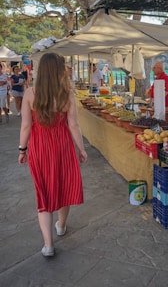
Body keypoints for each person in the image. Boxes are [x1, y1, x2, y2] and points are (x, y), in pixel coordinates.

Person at [18, 52, 88, 257]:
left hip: (40, 147)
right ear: (58, 71)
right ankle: (61, 225)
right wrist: (82, 149)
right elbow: (73, 125)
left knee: (44, 192)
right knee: (64, 186)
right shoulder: (67, 94)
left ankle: (48, 245)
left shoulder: (30, 93)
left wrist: (22, 150)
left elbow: (25, 126)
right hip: (63, 146)